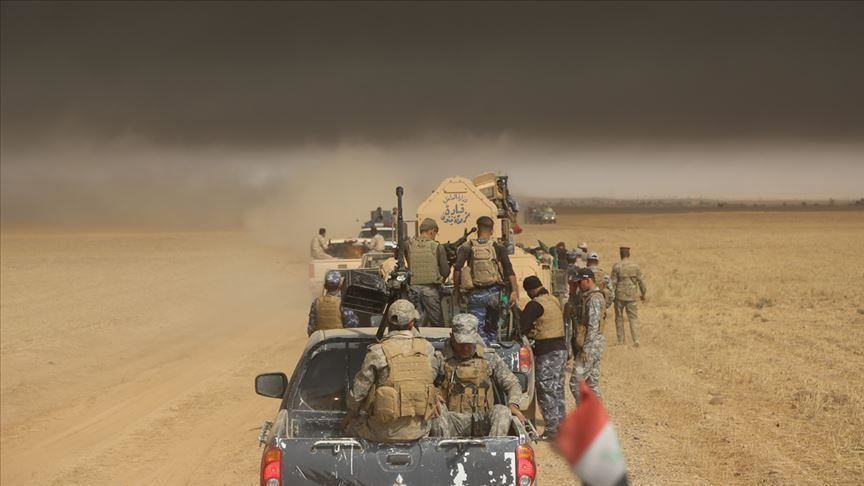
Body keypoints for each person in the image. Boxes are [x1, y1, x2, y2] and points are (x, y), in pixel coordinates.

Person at [343, 300, 438, 442]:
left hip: (382, 433)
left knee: (347, 427)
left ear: (388, 322)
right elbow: (430, 379)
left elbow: (358, 393)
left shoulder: (378, 351)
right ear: (411, 324)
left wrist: (350, 415)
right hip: (418, 431)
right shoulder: (427, 349)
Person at [431, 314, 525, 437]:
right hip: (451, 422)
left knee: (502, 411)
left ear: (476, 337)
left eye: (469, 343)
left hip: (481, 420)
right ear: (452, 337)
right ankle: (444, 448)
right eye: (461, 343)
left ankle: (494, 448)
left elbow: (512, 383)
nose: (465, 348)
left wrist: (513, 404)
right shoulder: (440, 359)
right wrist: (432, 395)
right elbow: (422, 383)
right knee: (435, 409)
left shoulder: (489, 358)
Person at [453, 216, 519, 343]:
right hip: (495, 295)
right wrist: (514, 291)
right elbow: (509, 270)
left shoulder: (467, 247)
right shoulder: (499, 247)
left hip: (476, 295)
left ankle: (482, 350)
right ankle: (492, 346)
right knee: (493, 328)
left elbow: (457, 269)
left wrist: (456, 290)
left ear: (477, 229)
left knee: (477, 329)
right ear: (492, 230)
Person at [519, 275, 567, 440]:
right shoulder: (553, 300)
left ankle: (552, 430)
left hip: (547, 351)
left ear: (530, 290)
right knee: (557, 389)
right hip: (561, 349)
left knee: (545, 388)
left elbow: (521, 326)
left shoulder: (535, 304)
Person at [405, 218, 451, 327]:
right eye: (435, 233)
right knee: (437, 324)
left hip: (413, 289)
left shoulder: (408, 244)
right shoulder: (437, 246)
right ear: (432, 231)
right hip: (431, 291)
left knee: (415, 323)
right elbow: (445, 272)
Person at [569, 268, 606, 403]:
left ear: (588, 280)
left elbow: (593, 326)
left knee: (575, 382)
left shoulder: (594, 299)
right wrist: (572, 291)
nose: (578, 285)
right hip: (594, 344)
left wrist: (586, 349)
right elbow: (572, 309)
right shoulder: (589, 296)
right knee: (592, 383)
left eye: (580, 282)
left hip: (591, 345)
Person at [611, 246, 646, 347]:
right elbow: (641, 282)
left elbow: (612, 283)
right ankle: (636, 340)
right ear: (629, 254)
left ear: (620, 254)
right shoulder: (635, 266)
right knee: (633, 318)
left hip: (619, 296)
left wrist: (611, 296)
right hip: (632, 296)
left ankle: (621, 341)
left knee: (619, 318)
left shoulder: (616, 267)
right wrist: (643, 294)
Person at [307, 270, 359, 335]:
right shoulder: (342, 303)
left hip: (322, 339)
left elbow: (311, 328)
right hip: (337, 338)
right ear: (340, 286)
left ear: (325, 286)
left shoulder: (316, 302)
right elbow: (352, 324)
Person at [585, 252, 614, 334]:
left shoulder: (583, 273)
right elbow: (612, 294)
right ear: (597, 262)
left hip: (585, 307)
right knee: (598, 331)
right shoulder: (604, 275)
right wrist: (605, 306)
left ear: (587, 261)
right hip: (600, 307)